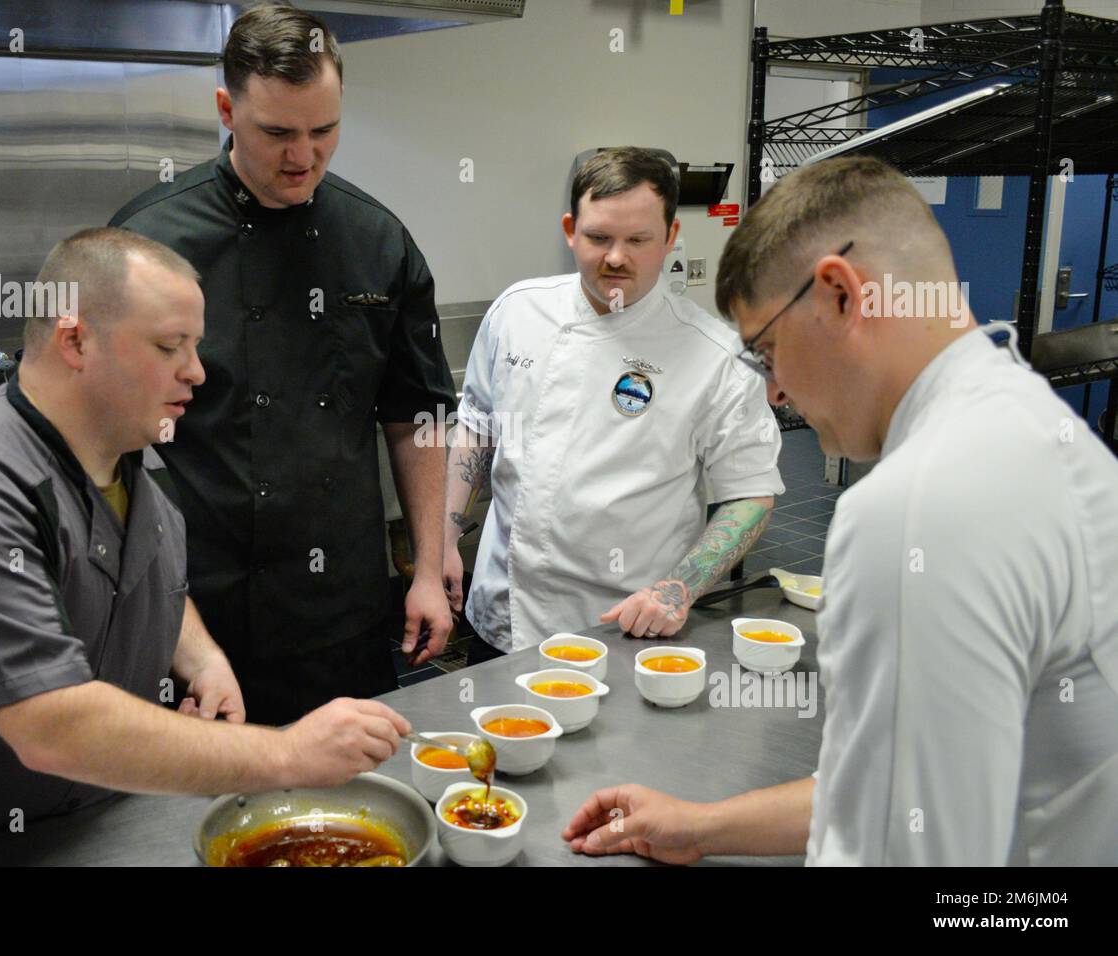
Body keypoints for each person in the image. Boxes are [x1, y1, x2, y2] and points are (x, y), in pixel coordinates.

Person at [563, 156, 1118, 866]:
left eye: (768, 352)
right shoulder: (1026, 423)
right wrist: (700, 826)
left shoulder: (918, 507)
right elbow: (894, 790)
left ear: (839, 296)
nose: (778, 392)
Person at [0, 228, 411, 866]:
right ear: (75, 340)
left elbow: (135, 570)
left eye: (196, 345)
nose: (197, 371)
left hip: (77, 825)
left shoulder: (133, 465)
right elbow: (54, 725)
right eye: (169, 346)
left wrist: (202, 657)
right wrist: (288, 753)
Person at [110, 4, 455, 723]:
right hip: (191, 616)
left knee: (354, 811)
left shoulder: (379, 241)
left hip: (340, 616)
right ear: (226, 110)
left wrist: (427, 567)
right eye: (277, 133)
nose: (303, 156)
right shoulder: (149, 243)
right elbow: (102, 439)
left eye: (323, 130)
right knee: (196, 822)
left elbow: (412, 417)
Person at [443, 147, 783, 659]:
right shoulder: (517, 312)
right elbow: (477, 427)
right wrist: (444, 539)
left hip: (625, 628)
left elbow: (751, 493)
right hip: (503, 615)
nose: (616, 257)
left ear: (670, 238)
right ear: (569, 230)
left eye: (638, 240)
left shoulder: (717, 358)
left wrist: (677, 591)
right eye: (599, 237)